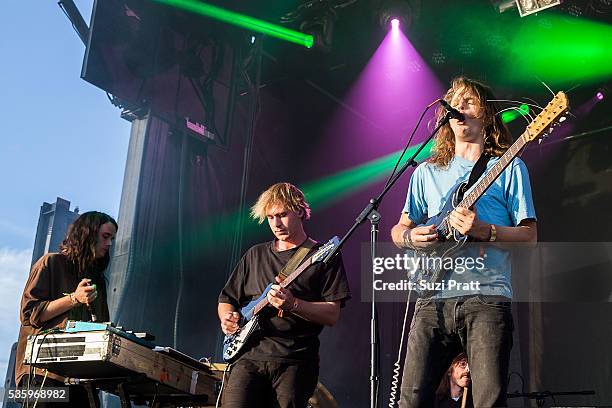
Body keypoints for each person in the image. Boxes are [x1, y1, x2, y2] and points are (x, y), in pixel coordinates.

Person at [391, 77, 537, 407]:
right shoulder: (425, 173)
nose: (459, 107)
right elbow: (399, 230)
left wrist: (486, 230)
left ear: (486, 114)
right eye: (454, 102)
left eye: (468, 101)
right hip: (432, 298)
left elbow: (529, 236)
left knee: (488, 400)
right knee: (410, 400)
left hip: (487, 297)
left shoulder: (511, 167)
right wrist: (412, 236)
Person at [218, 182, 351, 408]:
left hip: (294, 361)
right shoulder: (255, 254)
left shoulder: (322, 256)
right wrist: (227, 319)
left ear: (299, 211)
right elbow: (227, 299)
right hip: (248, 357)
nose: (276, 224)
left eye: (282, 215)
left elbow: (332, 314)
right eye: (270, 217)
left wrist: (294, 304)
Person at [15, 211, 118, 407]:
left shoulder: (97, 281)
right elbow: (30, 314)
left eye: (112, 238)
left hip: (80, 380)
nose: (110, 244)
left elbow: (100, 328)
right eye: (106, 237)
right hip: (42, 376)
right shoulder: (51, 262)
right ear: (88, 234)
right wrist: (74, 298)